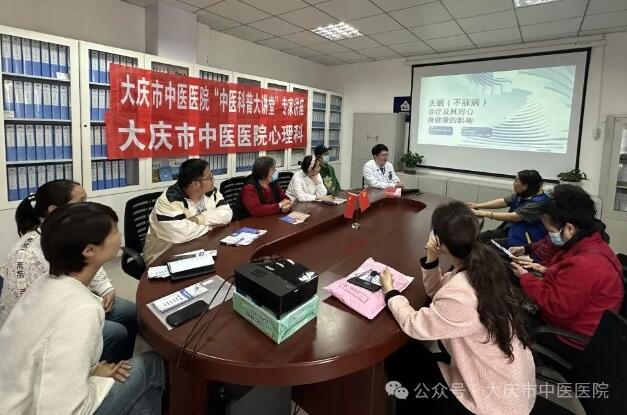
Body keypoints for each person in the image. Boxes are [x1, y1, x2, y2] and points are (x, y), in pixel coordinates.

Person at [0, 202, 164, 415]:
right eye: (114, 231)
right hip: (36, 408)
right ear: (89, 250)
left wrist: (92, 372)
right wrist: (98, 383)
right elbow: (63, 409)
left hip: (13, 394)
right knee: (152, 365)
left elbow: (50, 357)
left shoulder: (44, 283)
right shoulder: (82, 310)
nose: (120, 235)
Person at [381, 201, 535, 415]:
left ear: (439, 241)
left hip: (492, 404)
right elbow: (438, 293)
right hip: (506, 383)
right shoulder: (485, 267)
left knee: (399, 358)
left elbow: (415, 325)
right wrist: (432, 258)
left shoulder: (461, 292)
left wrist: (390, 293)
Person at [0, 180, 137, 363]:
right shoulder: (25, 255)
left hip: (74, 301)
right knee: (115, 332)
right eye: (81, 202)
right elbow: (33, 315)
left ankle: (120, 364)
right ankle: (100, 371)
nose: (87, 207)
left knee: (131, 312)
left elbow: (89, 262)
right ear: (53, 210)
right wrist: (89, 307)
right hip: (42, 328)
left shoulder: (71, 232)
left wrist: (105, 288)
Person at [511, 185, 624, 358]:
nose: (550, 237)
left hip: (571, 340)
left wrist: (526, 278)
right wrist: (547, 271)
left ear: (569, 229)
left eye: (550, 231)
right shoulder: (592, 244)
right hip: (577, 326)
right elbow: (570, 285)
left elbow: (555, 307)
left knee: (504, 319)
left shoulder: (586, 265)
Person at [143, 158, 232, 265]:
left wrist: (199, 219)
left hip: (199, 249)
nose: (213, 179)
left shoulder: (211, 192)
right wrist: (212, 226)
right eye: (209, 177)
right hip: (163, 257)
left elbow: (227, 214)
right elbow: (181, 235)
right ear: (196, 184)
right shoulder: (169, 200)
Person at [469, 170, 549, 247]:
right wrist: (477, 205)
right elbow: (503, 201)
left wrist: (483, 213)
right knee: (476, 239)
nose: (513, 183)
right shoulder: (523, 194)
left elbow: (515, 216)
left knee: (488, 247)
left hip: (523, 239)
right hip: (509, 229)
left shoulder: (539, 202)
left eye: (516, 181)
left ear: (525, 186)